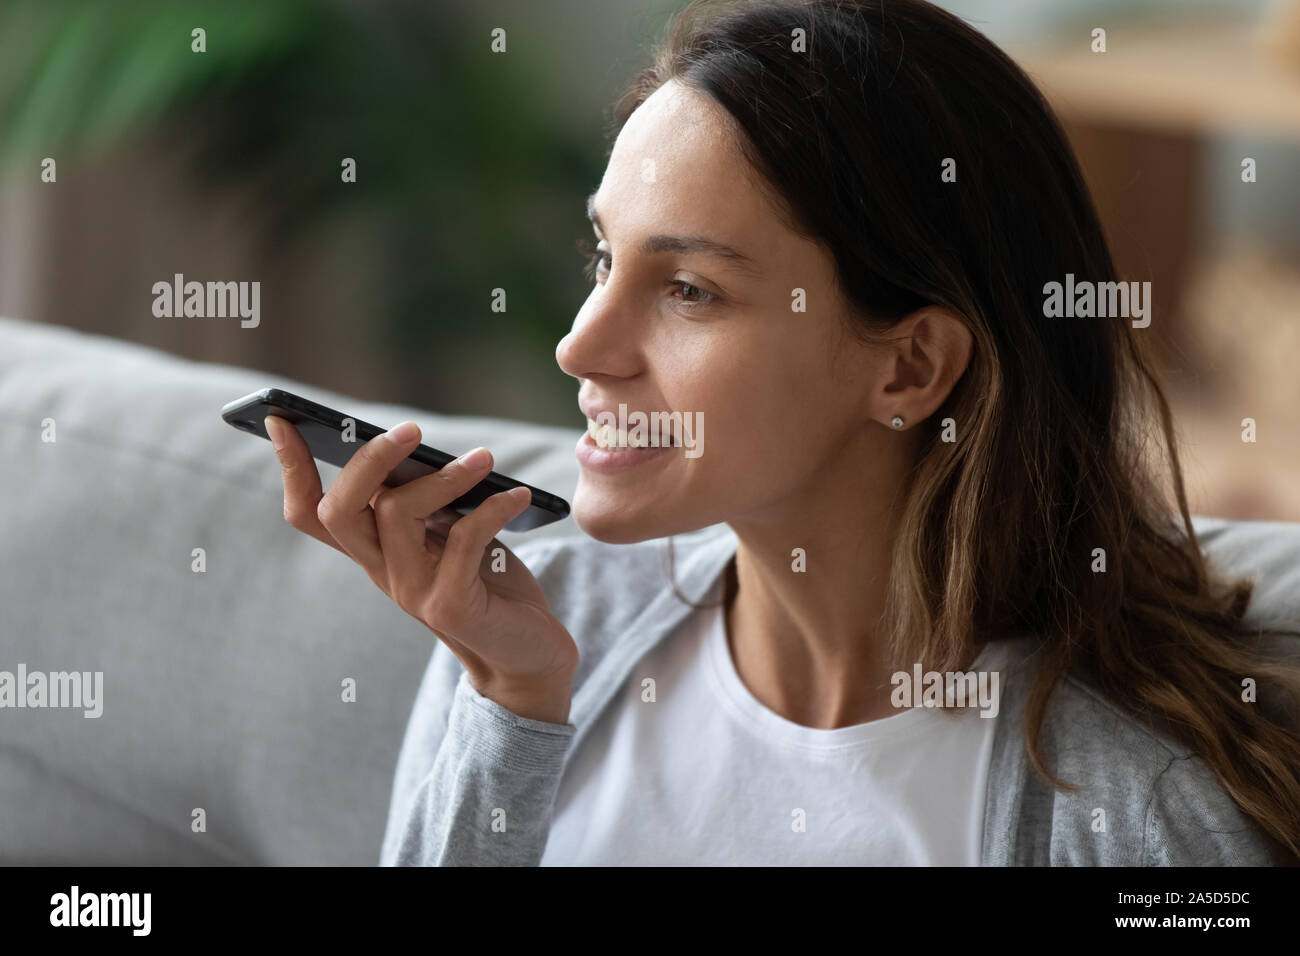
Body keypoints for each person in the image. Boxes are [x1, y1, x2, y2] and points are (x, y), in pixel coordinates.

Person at [263, 0, 1300, 865]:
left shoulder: (1134, 811)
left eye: (687, 288)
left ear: (908, 367)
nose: (580, 347)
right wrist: (512, 705)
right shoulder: (533, 628)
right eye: (600, 257)